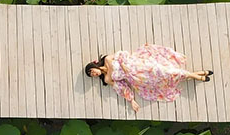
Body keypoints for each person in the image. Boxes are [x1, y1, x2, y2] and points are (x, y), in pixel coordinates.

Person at [84, 43, 212, 114]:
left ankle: (198, 76)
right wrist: (131, 100)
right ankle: (199, 74)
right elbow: (122, 88)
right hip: (139, 78)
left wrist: (123, 65)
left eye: (91, 71)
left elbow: (122, 54)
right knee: (167, 78)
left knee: (166, 70)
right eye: (92, 75)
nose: (94, 74)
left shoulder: (107, 59)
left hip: (139, 65)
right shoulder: (107, 79)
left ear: (93, 65)